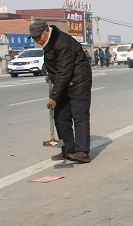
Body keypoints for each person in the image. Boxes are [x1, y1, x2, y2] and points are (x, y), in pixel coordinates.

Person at [29, 20, 93, 163]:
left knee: (79, 116)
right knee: (61, 117)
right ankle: (68, 149)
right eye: (34, 38)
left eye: (39, 36)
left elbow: (65, 72)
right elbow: (55, 64)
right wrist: (51, 76)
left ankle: (82, 152)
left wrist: (54, 97)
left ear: (46, 30)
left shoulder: (62, 42)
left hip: (78, 82)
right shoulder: (49, 42)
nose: (38, 40)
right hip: (64, 82)